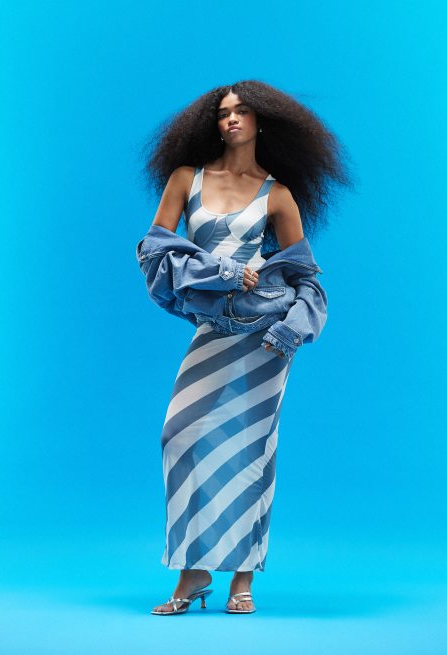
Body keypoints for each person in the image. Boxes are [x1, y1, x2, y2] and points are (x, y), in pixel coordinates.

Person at [137, 79, 352, 615]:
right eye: (222, 112)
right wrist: (223, 271)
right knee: (180, 434)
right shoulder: (186, 179)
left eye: (242, 111)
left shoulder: (277, 194)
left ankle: (242, 578)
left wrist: (291, 330)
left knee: (253, 448)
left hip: (266, 339)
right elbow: (155, 251)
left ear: (263, 122)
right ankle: (193, 570)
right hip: (215, 329)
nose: (231, 118)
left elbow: (307, 278)